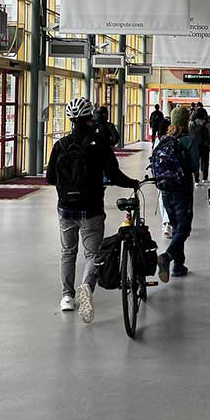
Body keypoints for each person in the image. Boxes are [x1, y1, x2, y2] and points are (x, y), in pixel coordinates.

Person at [46, 97, 139, 323]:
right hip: (91, 208)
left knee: (68, 252)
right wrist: (133, 183)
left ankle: (67, 297)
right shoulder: (98, 143)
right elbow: (114, 175)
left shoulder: (60, 145)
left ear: (70, 119)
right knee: (93, 254)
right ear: (90, 117)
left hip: (66, 209)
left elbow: (50, 178)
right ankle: (86, 285)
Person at [155, 107, 200, 279]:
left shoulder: (165, 139)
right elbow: (195, 167)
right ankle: (167, 257)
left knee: (176, 227)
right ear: (186, 121)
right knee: (184, 228)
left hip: (165, 189)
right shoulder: (189, 140)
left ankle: (178, 266)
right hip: (183, 189)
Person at [189, 107, 210, 185]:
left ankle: (196, 180)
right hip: (205, 145)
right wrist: (209, 142)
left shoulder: (192, 123)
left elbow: (190, 134)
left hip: (195, 144)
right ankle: (204, 178)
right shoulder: (207, 124)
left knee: (196, 161)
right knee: (205, 161)